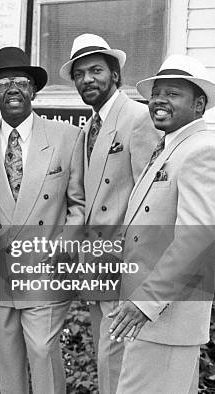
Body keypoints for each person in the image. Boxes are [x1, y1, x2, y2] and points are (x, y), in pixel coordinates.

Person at [110, 55, 215, 393]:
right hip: (153, 318)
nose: (159, 100)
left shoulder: (202, 151)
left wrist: (145, 302)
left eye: (173, 93)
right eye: (156, 92)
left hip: (163, 316)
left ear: (199, 104)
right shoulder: (171, 146)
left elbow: (195, 240)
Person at [0, 47, 84, 393]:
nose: (13, 89)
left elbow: (78, 204)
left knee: (41, 351)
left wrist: (62, 250)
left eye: (21, 82)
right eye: (3, 83)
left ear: (34, 90)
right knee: (7, 360)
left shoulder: (67, 137)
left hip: (45, 266)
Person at [59, 33, 162, 393]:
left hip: (125, 261)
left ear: (115, 75)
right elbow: (83, 199)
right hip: (95, 261)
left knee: (122, 357)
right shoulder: (87, 128)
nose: (87, 79)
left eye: (96, 70)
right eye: (80, 74)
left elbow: (152, 197)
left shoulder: (138, 117)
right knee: (109, 355)